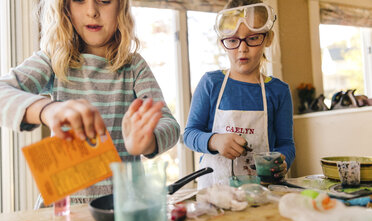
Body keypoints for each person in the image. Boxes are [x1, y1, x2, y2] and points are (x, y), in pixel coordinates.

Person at [0, 0, 180, 203]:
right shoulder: (54, 60)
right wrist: (46, 110)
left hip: (123, 208)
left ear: (121, 7)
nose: (92, 11)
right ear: (64, 8)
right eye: (78, 0)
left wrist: (149, 141)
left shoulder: (134, 67)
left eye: (104, 1)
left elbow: (170, 125)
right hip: (64, 208)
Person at [184, 0, 295, 189]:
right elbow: (189, 135)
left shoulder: (279, 91)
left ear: (267, 38)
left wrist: (283, 160)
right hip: (216, 192)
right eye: (233, 40)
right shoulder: (211, 83)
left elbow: (286, 144)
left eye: (252, 38)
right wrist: (214, 140)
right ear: (222, 43)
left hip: (263, 191)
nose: (242, 49)